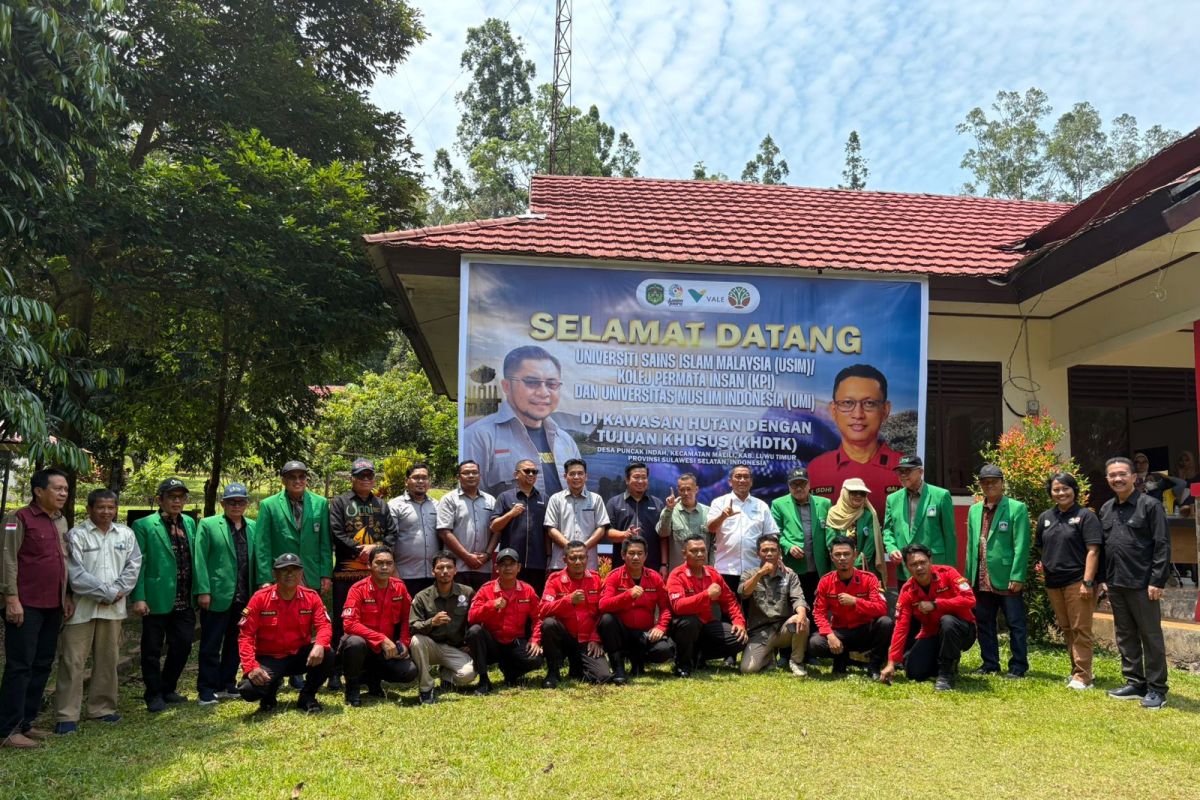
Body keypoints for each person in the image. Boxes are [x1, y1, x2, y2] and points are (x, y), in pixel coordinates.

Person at [54, 489, 141, 734]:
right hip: (82, 609)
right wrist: (107, 593)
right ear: (90, 509)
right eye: (100, 507)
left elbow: (133, 566)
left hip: (113, 610)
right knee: (72, 661)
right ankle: (66, 714)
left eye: (111, 508)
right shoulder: (77, 535)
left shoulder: (125, 534)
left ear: (116, 509)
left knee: (108, 660)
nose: (106, 512)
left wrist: (117, 591)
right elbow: (74, 573)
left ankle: (102, 708)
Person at [1, 468, 72, 749]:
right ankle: (7, 729)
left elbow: (63, 561)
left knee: (43, 663)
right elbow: (7, 559)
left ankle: (27, 722)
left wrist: (66, 595)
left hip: (53, 604)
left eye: (65, 489)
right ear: (38, 491)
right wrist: (11, 598)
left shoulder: (61, 520)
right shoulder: (18, 518)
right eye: (58, 488)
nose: (63, 493)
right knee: (20, 666)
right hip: (25, 604)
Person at [1099, 456, 1170, 710]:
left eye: (1122, 474)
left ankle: (1157, 689)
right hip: (1116, 583)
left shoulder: (1150, 506)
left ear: (1133, 477)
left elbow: (1162, 544)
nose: (1117, 478)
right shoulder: (1106, 508)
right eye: (1112, 475)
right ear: (1107, 479)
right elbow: (1105, 547)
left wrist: (1157, 580)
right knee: (1125, 635)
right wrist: (1104, 580)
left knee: (1150, 636)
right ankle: (1134, 682)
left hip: (1143, 583)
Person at [463, 345, 582, 496]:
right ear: (506, 386)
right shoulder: (478, 437)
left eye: (552, 384)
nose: (544, 392)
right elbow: (473, 503)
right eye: (532, 382)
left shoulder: (566, 441)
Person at [131, 477, 198, 712]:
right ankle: (153, 693)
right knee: (151, 649)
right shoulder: (144, 525)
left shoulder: (189, 523)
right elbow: (138, 563)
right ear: (160, 499)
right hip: (155, 597)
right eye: (172, 497)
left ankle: (168, 687)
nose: (177, 501)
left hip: (184, 597)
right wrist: (138, 596)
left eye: (181, 497)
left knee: (183, 646)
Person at [329, 458, 397, 689]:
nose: (365, 480)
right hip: (346, 574)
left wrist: (374, 550)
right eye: (361, 476)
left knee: (373, 622)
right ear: (352, 479)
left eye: (369, 476)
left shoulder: (382, 504)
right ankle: (336, 670)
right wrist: (360, 550)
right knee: (342, 622)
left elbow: (391, 534)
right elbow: (336, 532)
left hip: (376, 575)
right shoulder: (339, 502)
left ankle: (369, 671)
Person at [237, 553, 333, 713]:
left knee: (328, 653)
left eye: (294, 570)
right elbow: (245, 635)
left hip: (299, 656)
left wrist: (320, 644)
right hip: (270, 659)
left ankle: (307, 696)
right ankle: (269, 694)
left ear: (301, 573)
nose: (290, 574)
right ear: (274, 574)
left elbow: (324, 625)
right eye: (284, 570)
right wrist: (251, 667)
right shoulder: (260, 598)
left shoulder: (311, 597)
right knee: (248, 690)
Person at [193, 482, 258, 705]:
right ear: (223, 503)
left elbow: (257, 560)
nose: (236, 506)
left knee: (236, 641)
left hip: (244, 595)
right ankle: (206, 688)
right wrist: (203, 590)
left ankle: (227, 682)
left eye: (240, 501)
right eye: (231, 502)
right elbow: (200, 558)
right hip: (217, 593)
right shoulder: (209, 524)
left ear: (247, 504)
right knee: (211, 643)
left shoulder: (253, 526)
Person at [880, 543, 976, 691]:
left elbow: (970, 600)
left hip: (963, 631)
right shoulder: (907, 591)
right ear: (906, 567)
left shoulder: (948, 573)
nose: (919, 567)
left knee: (947, 621)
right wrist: (891, 662)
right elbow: (901, 627)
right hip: (932, 633)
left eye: (922, 562)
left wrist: (936, 604)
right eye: (913, 564)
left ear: (930, 561)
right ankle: (945, 660)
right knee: (914, 672)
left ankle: (946, 674)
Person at [1037, 472, 1102, 690]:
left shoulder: (1086, 516)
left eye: (1065, 488)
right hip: (1053, 582)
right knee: (1066, 628)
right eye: (1056, 489)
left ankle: (1084, 675)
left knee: (1080, 628)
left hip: (1078, 581)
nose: (1061, 493)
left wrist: (1088, 582)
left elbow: (1093, 551)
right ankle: (1076, 671)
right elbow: (1042, 547)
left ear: (1074, 490)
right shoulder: (1046, 517)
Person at [807, 364, 903, 511]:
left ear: (885, 410)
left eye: (869, 403)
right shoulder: (817, 469)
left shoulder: (903, 468)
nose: (858, 414)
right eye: (847, 403)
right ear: (833, 410)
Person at [966, 464, 1030, 679]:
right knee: (984, 622)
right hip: (980, 575)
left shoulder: (1016, 508)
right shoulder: (974, 509)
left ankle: (1018, 666)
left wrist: (1017, 575)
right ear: (980, 485)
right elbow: (970, 545)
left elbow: (1021, 544)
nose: (989, 485)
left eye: (994, 481)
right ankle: (990, 663)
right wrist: (968, 576)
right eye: (985, 482)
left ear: (1003, 483)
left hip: (1006, 575)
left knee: (1015, 623)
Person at [338, 546, 418, 706]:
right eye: (379, 563)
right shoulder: (357, 589)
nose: (384, 567)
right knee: (354, 643)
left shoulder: (399, 587)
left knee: (409, 672)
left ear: (394, 565)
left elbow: (406, 618)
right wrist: (380, 638)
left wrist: (404, 642)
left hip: (386, 649)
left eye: (389, 563)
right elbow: (349, 624)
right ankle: (352, 687)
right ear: (369, 565)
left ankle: (374, 680)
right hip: (364, 647)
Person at [807, 536, 892, 679]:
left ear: (855, 555)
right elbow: (819, 613)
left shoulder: (869, 578)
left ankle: (874, 665)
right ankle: (841, 657)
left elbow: (881, 608)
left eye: (846, 554)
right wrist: (830, 635)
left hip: (865, 630)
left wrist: (856, 601)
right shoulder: (825, 581)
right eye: (837, 555)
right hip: (841, 632)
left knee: (886, 623)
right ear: (831, 557)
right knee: (815, 643)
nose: (842, 558)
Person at [666, 534, 748, 676]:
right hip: (682, 626)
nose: (700, 554)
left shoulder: (713, 574)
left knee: (739, 639)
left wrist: (739, 622)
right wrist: (706, 595)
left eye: (703, 550)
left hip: (706, 624)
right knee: (689, 622)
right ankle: (682, 663)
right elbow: (678, 606)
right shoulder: (676, 575)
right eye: (694, 551)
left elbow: (729, 601)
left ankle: (699, 656)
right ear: (684, 554)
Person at [465, 548, 544, 694]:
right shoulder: (486, 590)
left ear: (518, 568)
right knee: (474, 632)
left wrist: (535, 639)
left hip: (515, 642)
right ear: (497, 568)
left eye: (511, 564)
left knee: (536, 659)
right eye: (503, 564)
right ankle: (484, 680)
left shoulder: (528, 590)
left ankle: (511, 673)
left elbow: (538, 617)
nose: (507, 568)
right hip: (492, 644)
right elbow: (471, 617)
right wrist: (491, 605)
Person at [598, 535, 674, 684]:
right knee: (607, 620)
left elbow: (665, 608)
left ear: (646, 556)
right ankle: (618, 667)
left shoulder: (655, 577)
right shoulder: (614, 576)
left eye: (640, 553)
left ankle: (638, 660)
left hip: (644, 634)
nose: (635, 557)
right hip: (621, 634)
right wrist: (627, 595)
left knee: (664, 650)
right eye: (631, 553)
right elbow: (603, 605)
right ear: (623, 555)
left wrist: (661, 626)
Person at [538, 541, 612, 687]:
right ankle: (553, 672)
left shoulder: (596, 580)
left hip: (587, 640)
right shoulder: (554, 580)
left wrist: (596, 638)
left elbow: (602, 613)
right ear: (564, 559)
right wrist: (568, 600)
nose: (578, 562)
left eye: (582, 557)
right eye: (573, 558)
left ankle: (577, 667)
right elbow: (543, 610)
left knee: (603, 677)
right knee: (549, 624)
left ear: (588, 558)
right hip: (564, 639)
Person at [409, 551, 478, 704]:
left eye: (449, 567)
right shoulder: (422, 596)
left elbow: (476, 620)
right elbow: (413, 626)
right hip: (430, 647)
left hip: (455, 648)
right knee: (416, 640)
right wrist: (431, 622)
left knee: (468, 675)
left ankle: (446, 676)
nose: (445, 571)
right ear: (433, 571)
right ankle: (426, 688)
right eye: (440, 567)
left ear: (455, 570)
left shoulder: (467, 593)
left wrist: (469, 643)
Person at [254, 461, 331, 594]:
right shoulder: (269, 505)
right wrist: (265, 578)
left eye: (301, 476)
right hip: (280, 573)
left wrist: (326, 574)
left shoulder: (321, 503)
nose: (297, 481)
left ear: (306, 479)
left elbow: (325, 543)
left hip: (310, 572)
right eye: (292, 477)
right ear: (284, 480)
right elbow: (262, 546)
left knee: (309, 612)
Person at [738, 534, 809, 676]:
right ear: (758, 553)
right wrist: (760, 574)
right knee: (747, 669)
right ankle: (768, 656)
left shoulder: (790, 574)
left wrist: (801, 613)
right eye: (764, 550)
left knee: (802, 620)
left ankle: (796, 662)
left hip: (783, 628)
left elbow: (798, 598)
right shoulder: (749, 574)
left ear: (780, 553)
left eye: (773, 550)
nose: (769, 553)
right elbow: (744, 592)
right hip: (760, 631)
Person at [707, 464, 779, 594]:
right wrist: (723, 516)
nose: (742, 480)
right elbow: (711, 528)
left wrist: (773, 560)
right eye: (738, 477)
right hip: (725, 569)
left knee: (751, 612)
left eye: (746, 477)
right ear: (730, 481)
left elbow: (771, 535)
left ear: (751, 482)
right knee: (728, 613)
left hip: (754, 569)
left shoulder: (761, 505)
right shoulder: (719, 503)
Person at [883, 455, 958, 578]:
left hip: (934, 567)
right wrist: (891, 548)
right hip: (905, 567)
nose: (903, 475)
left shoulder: (941, 495)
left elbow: (949, 536)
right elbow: (888, 530)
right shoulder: (892, 499)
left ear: (920, 472)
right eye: (900, 472)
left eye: (908, 471)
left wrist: (950, 571)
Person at [771, 467, 831, 608]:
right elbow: (775, 533)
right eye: (794, 484)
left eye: (802, 484)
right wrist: (789, 546)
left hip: (819, 566)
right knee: (794, 605)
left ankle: (816, 630)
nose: (799, 488)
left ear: (809, 484)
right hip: (793, 566)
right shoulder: (778, 504)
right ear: (788, 486)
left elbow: (831, 533)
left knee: (817, 605)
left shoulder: (824, 503)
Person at [489, 459, 550, 595]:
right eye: (526, 471)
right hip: (511, 563)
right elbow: (494, 527)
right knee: (510, 602)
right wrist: (510, 514)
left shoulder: (544, 498)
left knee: (535, 600)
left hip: (537, 562)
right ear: (516, 474)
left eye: (534, 471)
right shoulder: (504, 497)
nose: (531, 474)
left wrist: (549, 556)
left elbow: (547, 532)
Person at [436, 460, 497, 589]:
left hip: (483, 566)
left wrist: (487, 555)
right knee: (458, 607)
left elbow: (497, 531)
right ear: (458, 477)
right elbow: (444, 532)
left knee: (481, 606)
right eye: (466, 473)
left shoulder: (491, 500)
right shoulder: (449, 499)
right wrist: (467, 557)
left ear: (480, 476)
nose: (471, 476)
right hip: (457, 567)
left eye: (474, 472)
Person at [545, 458, 609, 571]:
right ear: (565, 476)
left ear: (586, 476)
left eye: (580, 473)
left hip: (588, 564)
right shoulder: (555, 499)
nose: (576, 477)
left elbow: (601, 528)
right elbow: (551, 529)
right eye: (572, 474)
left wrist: (583, 548)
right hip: (561, 563)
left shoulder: (596, 499)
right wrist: (571, 549)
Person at [388, 463, 441, 596]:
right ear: (406, 481)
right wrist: (393, 570)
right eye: (416, 477)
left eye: (424, 477)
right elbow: (389, 540)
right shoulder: (395, 505)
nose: (421, 481)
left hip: (434, 574)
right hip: (405, 574)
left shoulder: (437, 505)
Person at [605, 462, 667, 573]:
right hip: (622, 565)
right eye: (636, 477)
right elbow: (608, 532)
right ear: (627, 480)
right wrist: (625, 534)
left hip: (652, 566)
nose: (640, 481)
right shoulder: (614, 503)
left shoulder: (657, 504)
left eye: (644, 477)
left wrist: (664, 564)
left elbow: (663, 537)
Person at [825, 477, 885, 580]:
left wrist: (856, 564)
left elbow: (870, 544)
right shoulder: (833, 513)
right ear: (845, 493)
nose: (858, 496)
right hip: (839, 567)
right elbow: (831, 542)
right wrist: (843, 561)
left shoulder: (868, 515)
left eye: (862, 493)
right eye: (853, 492)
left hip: (862, 569)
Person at [657, 473, 710, 573]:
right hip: (678, 573)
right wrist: (669, 509)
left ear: (696, 489)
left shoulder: (708, 512)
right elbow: (662, 533)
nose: (686, 493)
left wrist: (712, 568)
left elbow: (712, 545)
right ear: (678, 491)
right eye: (682, 490)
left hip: (703, 573)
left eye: (689, 489)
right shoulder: (669, 511)